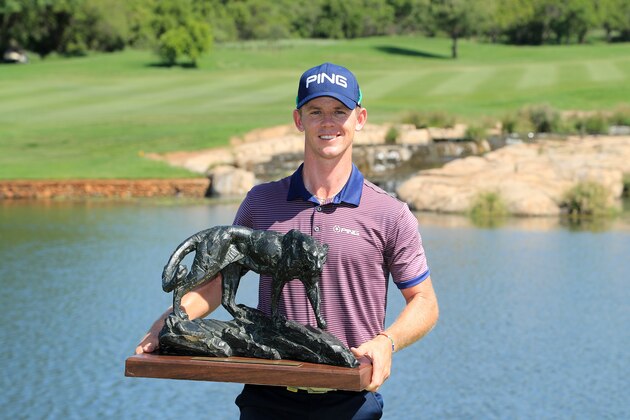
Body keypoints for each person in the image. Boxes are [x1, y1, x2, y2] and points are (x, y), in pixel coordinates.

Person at [136, 62, 439, 419]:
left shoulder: (389, 213)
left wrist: (387, 342)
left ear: (359, 118)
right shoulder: (261, 202)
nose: (328, 122)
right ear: (299, 120)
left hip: (351, 399)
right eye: (316, 111)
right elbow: (217, 284)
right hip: (268, 395)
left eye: (339, 111)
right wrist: (166, 325)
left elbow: (424, 302)